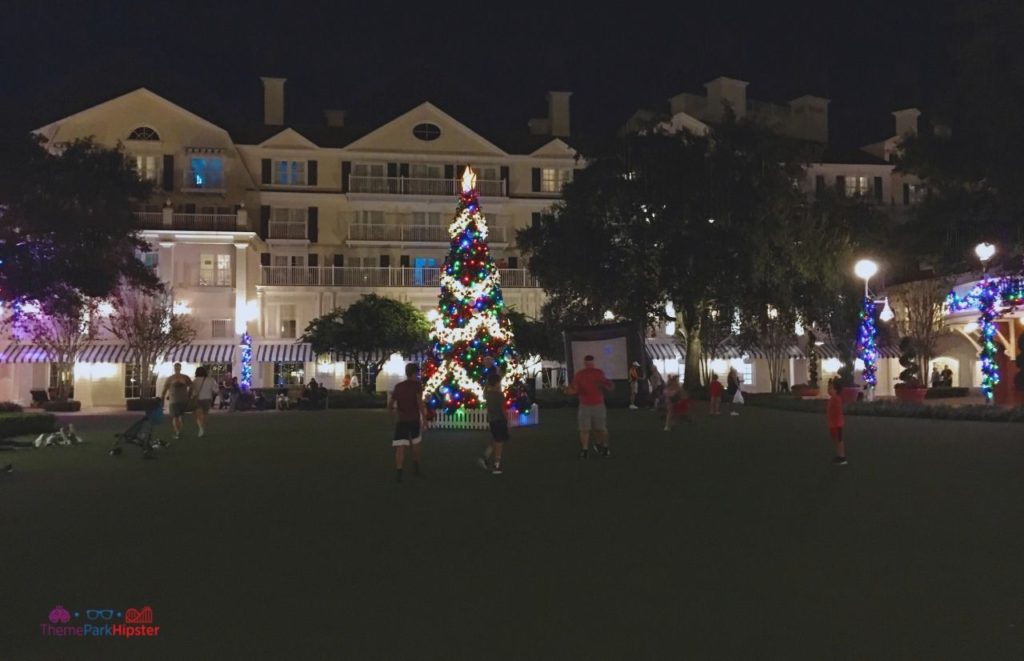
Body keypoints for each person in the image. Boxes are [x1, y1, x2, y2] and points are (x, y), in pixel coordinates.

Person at [565, 355, 614, 459]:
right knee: (584, 429)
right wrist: (568, 391)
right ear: (585, 363)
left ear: (593, 363)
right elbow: (575, 389)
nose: (589, 366)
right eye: (587, 364)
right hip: (585, 405)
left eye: (590, 364)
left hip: (598, 404)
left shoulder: (599, 373)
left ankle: (604, 446)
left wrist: (608, 385)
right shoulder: (580, 375)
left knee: (600, 428)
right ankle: (585, 450)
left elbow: (607, 385)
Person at [390, 363, 426, 482]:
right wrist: (424, 418)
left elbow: (391, 403)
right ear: (415, 373)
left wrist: (393, 414)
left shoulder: (398, 386)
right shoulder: (417, 385)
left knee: (400, 447)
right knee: (416, 444)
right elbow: (419, 402)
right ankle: (416, 465)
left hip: (402, 420)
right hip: (414, 419)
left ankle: (399, 472)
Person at [478, 372, 509, 475]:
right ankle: (496, 465)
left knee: (495, 440)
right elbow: (503, 409)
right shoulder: (499, 395)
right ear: (496, 383)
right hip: (499, 420)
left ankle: (485, 457)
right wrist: (507, 419)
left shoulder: (488, 395)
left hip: (492, 420)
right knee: (499, 443)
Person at [161, 363, 192, 440]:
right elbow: (192, 387)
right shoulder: (185, 377)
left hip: (175, 400)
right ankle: (178, 431)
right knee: (179, 416)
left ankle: (178, 432)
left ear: (175, 369)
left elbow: (164, 390)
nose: (177, 369)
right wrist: (189, 395)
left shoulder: (171, 378)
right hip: (181, 400)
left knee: (175, 417)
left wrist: (162, 399)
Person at [190, 366, 217, 438]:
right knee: (205, 414)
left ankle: (200, 428)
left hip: (198, 399)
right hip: (208, 399)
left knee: (198, 415)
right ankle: (202, 428)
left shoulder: (195, 381)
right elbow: (215, 390)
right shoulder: (211, 380)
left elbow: (192, 391)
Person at [827, 378, 848, 465]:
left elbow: (837, 411)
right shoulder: (834, 398)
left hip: (836, 424)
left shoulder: (836, 398)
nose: (828, 390)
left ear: (835, 390)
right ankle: (839, 455)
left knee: (839, 440)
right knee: (837, 440)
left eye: (831, 388)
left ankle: (842, 457)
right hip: (834, 423)